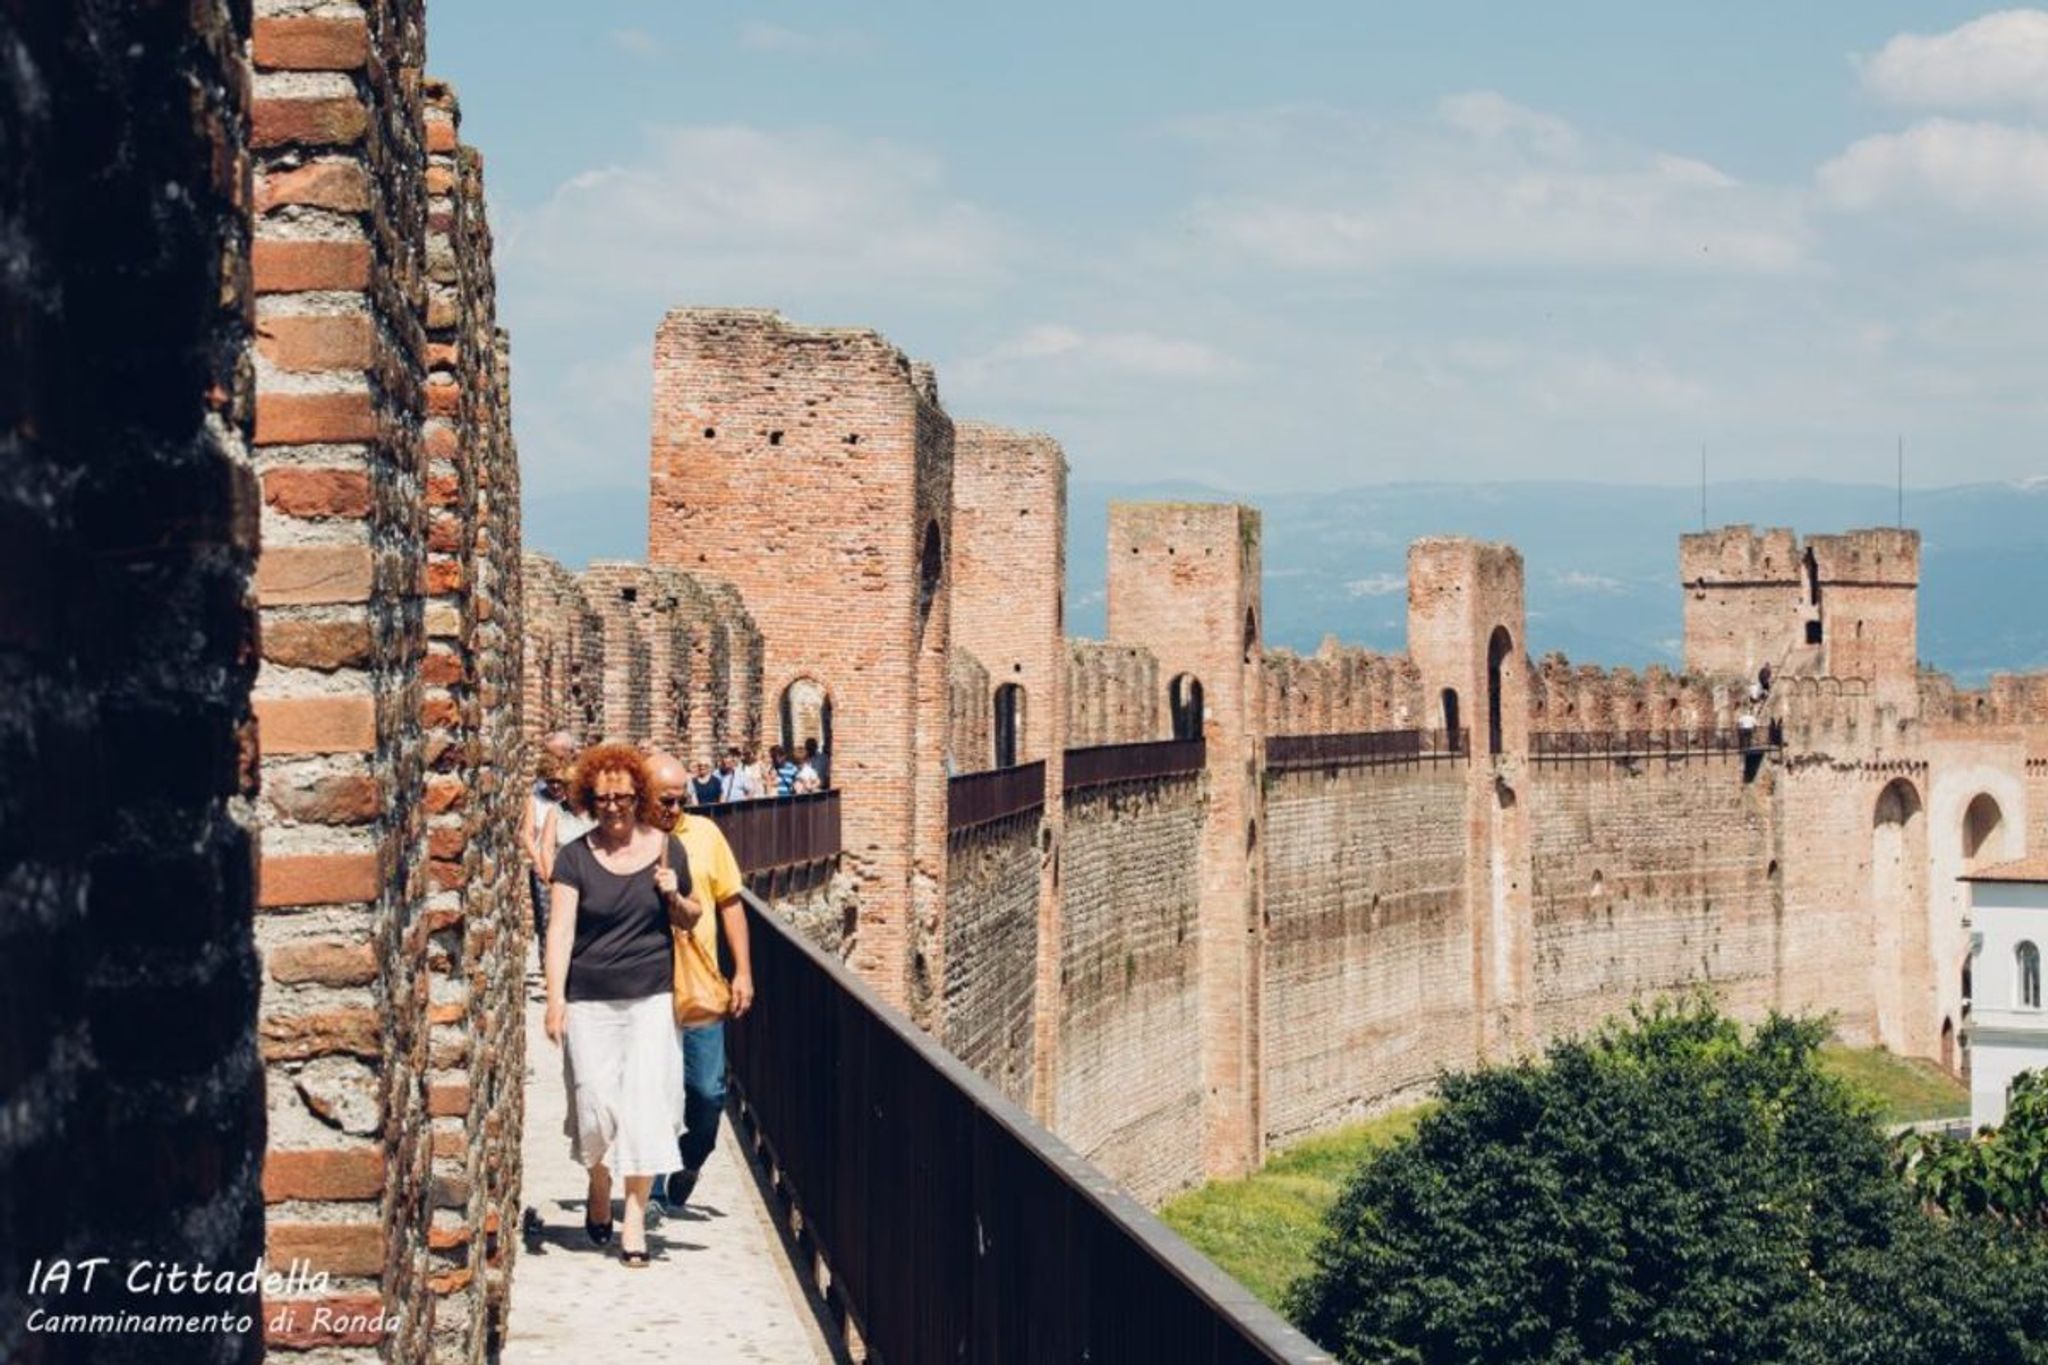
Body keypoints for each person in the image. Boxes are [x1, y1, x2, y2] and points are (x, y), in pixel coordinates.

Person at [545, 743, 703, 1268]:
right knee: (592, 1105)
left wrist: (673, 893)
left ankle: (633, 1219)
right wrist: (553, 999)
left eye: (624, 796)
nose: (614, 805)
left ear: (639, 796)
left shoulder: (666, 849)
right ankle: (597, 1180)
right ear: (589, 798)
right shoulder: (573, 857)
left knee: (644, 1104)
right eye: (603, 797)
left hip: (651, 997)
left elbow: (691, 916)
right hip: (589, 997)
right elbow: (560, 931)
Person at [644, 754, 755, 1214]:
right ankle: (647, 1192)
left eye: (680, 800)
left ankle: (690, 1161)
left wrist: (743, 971)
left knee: (707, 1094)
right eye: (664, 800)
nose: (674, 808)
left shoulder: (706, 835)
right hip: (648, 987)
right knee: (651, 1089)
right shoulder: (631, 841)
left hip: (700, 985)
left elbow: (730, 903)